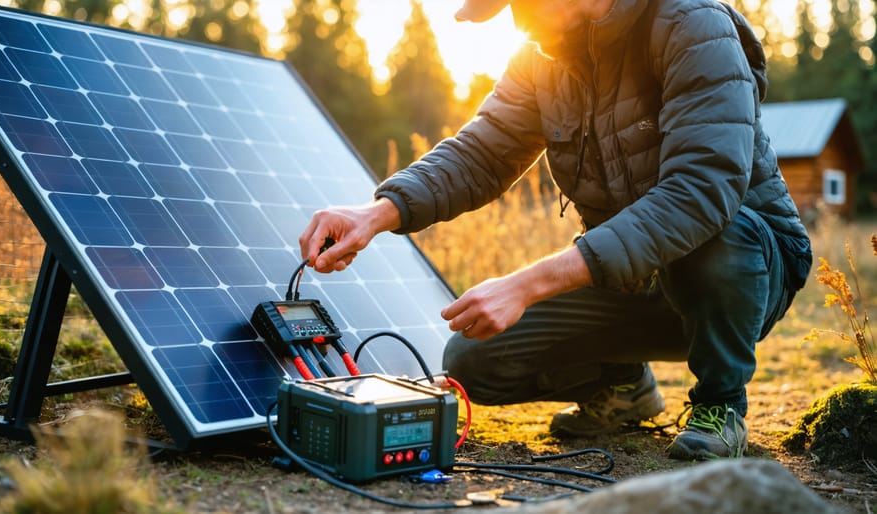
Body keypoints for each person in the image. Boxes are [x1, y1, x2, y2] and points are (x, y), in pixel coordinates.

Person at [298, 0, 812, 460]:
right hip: (635, 277)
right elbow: (482, 152)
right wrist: (377, 213)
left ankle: (720, 406)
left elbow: (702, 192)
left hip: (747, 267)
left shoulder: (691, 24)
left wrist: (526, 284)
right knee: (474, 359)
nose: (517, 20)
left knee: (709, 237)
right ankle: (622, 384)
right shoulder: (541, 58)